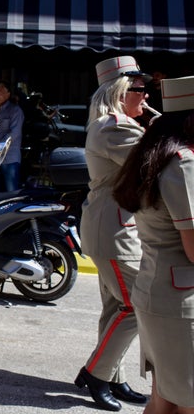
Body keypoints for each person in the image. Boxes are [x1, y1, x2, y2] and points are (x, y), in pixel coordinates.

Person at [112, 75, 194, 414]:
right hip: (180, 303)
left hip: (161, 293)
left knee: (165, 400)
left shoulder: (160, 155)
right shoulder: (184, 163)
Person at [74, 56, 151, 412]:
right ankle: (97, 373)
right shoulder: (115, 128)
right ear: (121, 93)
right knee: (135, 306)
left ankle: (112, 375)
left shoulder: (116, 125)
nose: (145, 93)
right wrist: (161, 124)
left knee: (115, 306)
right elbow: (158, 167)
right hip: (116, 231)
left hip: (112, 226)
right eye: (138, 87)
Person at [0, 80, 24, 192]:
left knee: (11, 192)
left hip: (9, 158)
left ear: (8, 94)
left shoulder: (15, 111)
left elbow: (14, 133)